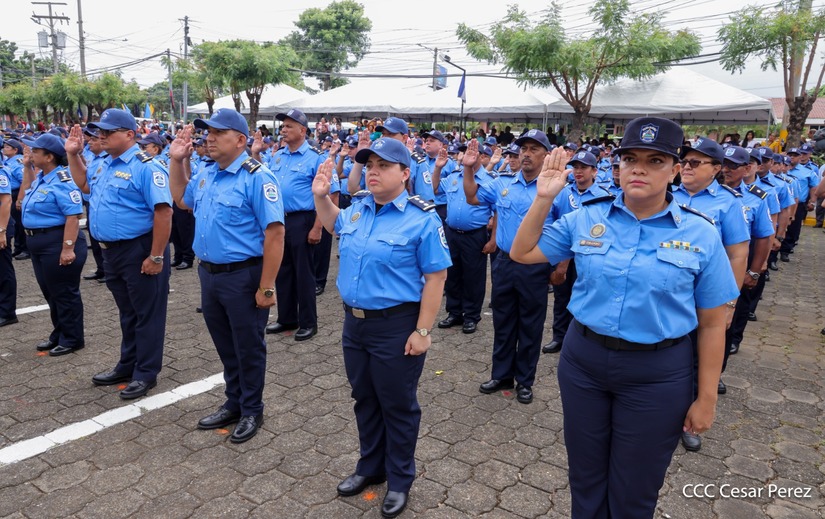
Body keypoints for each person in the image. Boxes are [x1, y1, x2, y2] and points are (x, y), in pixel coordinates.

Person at [509, 117, 739, 519]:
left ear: (674, 169)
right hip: (584, 364)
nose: (639, 169)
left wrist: (705, 399)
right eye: (630, 158)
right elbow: (522, 252)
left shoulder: (700, 233)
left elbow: (713, 323)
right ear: (617, 165)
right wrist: (544, 198)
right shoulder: (587, 217)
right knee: (585, 476)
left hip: (658, 373)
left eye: (655, 160)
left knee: (635, 487)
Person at [312, 137, 450, 518]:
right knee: (365, 398)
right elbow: (334, 225)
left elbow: (436, 278)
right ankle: (370, 467)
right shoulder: (358, 209)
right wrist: (323, 197)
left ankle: (401, 478)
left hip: (396, 326)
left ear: (405, 174)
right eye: (369, 164)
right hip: (354, 326)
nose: (373, 171)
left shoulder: (422, 218)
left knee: (398, 405)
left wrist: (422, 332)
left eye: (383, 166)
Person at [168, 111, 285, 443]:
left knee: (248, 346)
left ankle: (252, 409)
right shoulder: (207, 173)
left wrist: (266, 286)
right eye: (208, 133)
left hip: (243, 276)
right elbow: (180, 199)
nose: (210, 138)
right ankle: (234, 401)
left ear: (240, 140)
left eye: (219, 133)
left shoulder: (257, 177)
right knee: (225, 344)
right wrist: (177, 161)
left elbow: (275, 235)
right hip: (209, 274)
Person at [65, 109, 173, 400]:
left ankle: (145, 372)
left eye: (108, 131)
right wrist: (74, 156)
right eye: (100, 131)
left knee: (147, 314)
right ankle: (127, 364)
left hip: (139, 249)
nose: (101, 135)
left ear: (129, 135)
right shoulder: (103, 164)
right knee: (128, 313)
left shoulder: (146, 167)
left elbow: (163, 212)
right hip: (111, 253)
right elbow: (84, 185)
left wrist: (157, 256)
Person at [464, 131, 553, 405]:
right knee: (503, 320)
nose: (526, 153)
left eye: (533, 149)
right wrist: (469, 168)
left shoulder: (555, 189)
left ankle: (524, 380)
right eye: (523, 148)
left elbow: (567, 231)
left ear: (545, 156)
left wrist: (560, 266)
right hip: (503, 261)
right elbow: (472, 197)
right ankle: (502, 374)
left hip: (535, 265)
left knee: (530, 324)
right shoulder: (504, 184)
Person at [258, 109, 325, 341]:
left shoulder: (317, 157)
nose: (283, 130)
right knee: (282, 270)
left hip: (303, 220)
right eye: (283, 126)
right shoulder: (278, 156)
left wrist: (318, 227)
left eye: (289, 126)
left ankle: (308, 322)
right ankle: (287, 318)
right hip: (280, 220)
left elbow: (327, 196)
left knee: (304, 273)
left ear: (303, 130)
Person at [19, 134, 87, 356]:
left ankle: (72, 338)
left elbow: (72, 217)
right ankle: (59, 333)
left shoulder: (62, 180)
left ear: (49, 157)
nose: (31, 153)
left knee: (64, 293)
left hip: (56, 242)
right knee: (51, 292)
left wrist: (67, 248)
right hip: (38, 244)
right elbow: (23, 197)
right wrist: (28, 166)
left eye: (36, 152)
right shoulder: (41, 177)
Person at [432, 143, 496, 334]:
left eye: (472, 152)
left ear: (482, 157)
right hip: (452, 233)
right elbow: (434, 188)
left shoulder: (490, 180)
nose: (465, 155)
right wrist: (438, 167)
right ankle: (454, 312)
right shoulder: (453, 177)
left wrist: (493, 239)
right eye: (465, 152)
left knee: (473, 278)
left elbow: (497, 211)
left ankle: (471, 316)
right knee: (452, 275)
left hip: (475, 235)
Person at [3, 139, 29, 260]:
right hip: (9, 193)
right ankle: (18, 247)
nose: (4, 148)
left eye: (8, 147)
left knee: (20, 223)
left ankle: (25, 248)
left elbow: (24, 180)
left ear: (15, 150)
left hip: (16, 193)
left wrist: (20, 199)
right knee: (15, 224)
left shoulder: (18, 161)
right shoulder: (8, 160)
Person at [0, 159, 17, 327]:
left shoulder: (0, 172)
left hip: (1, 226)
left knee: (3, 270)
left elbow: (6, 201)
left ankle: (7, 312)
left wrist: (1, 231)